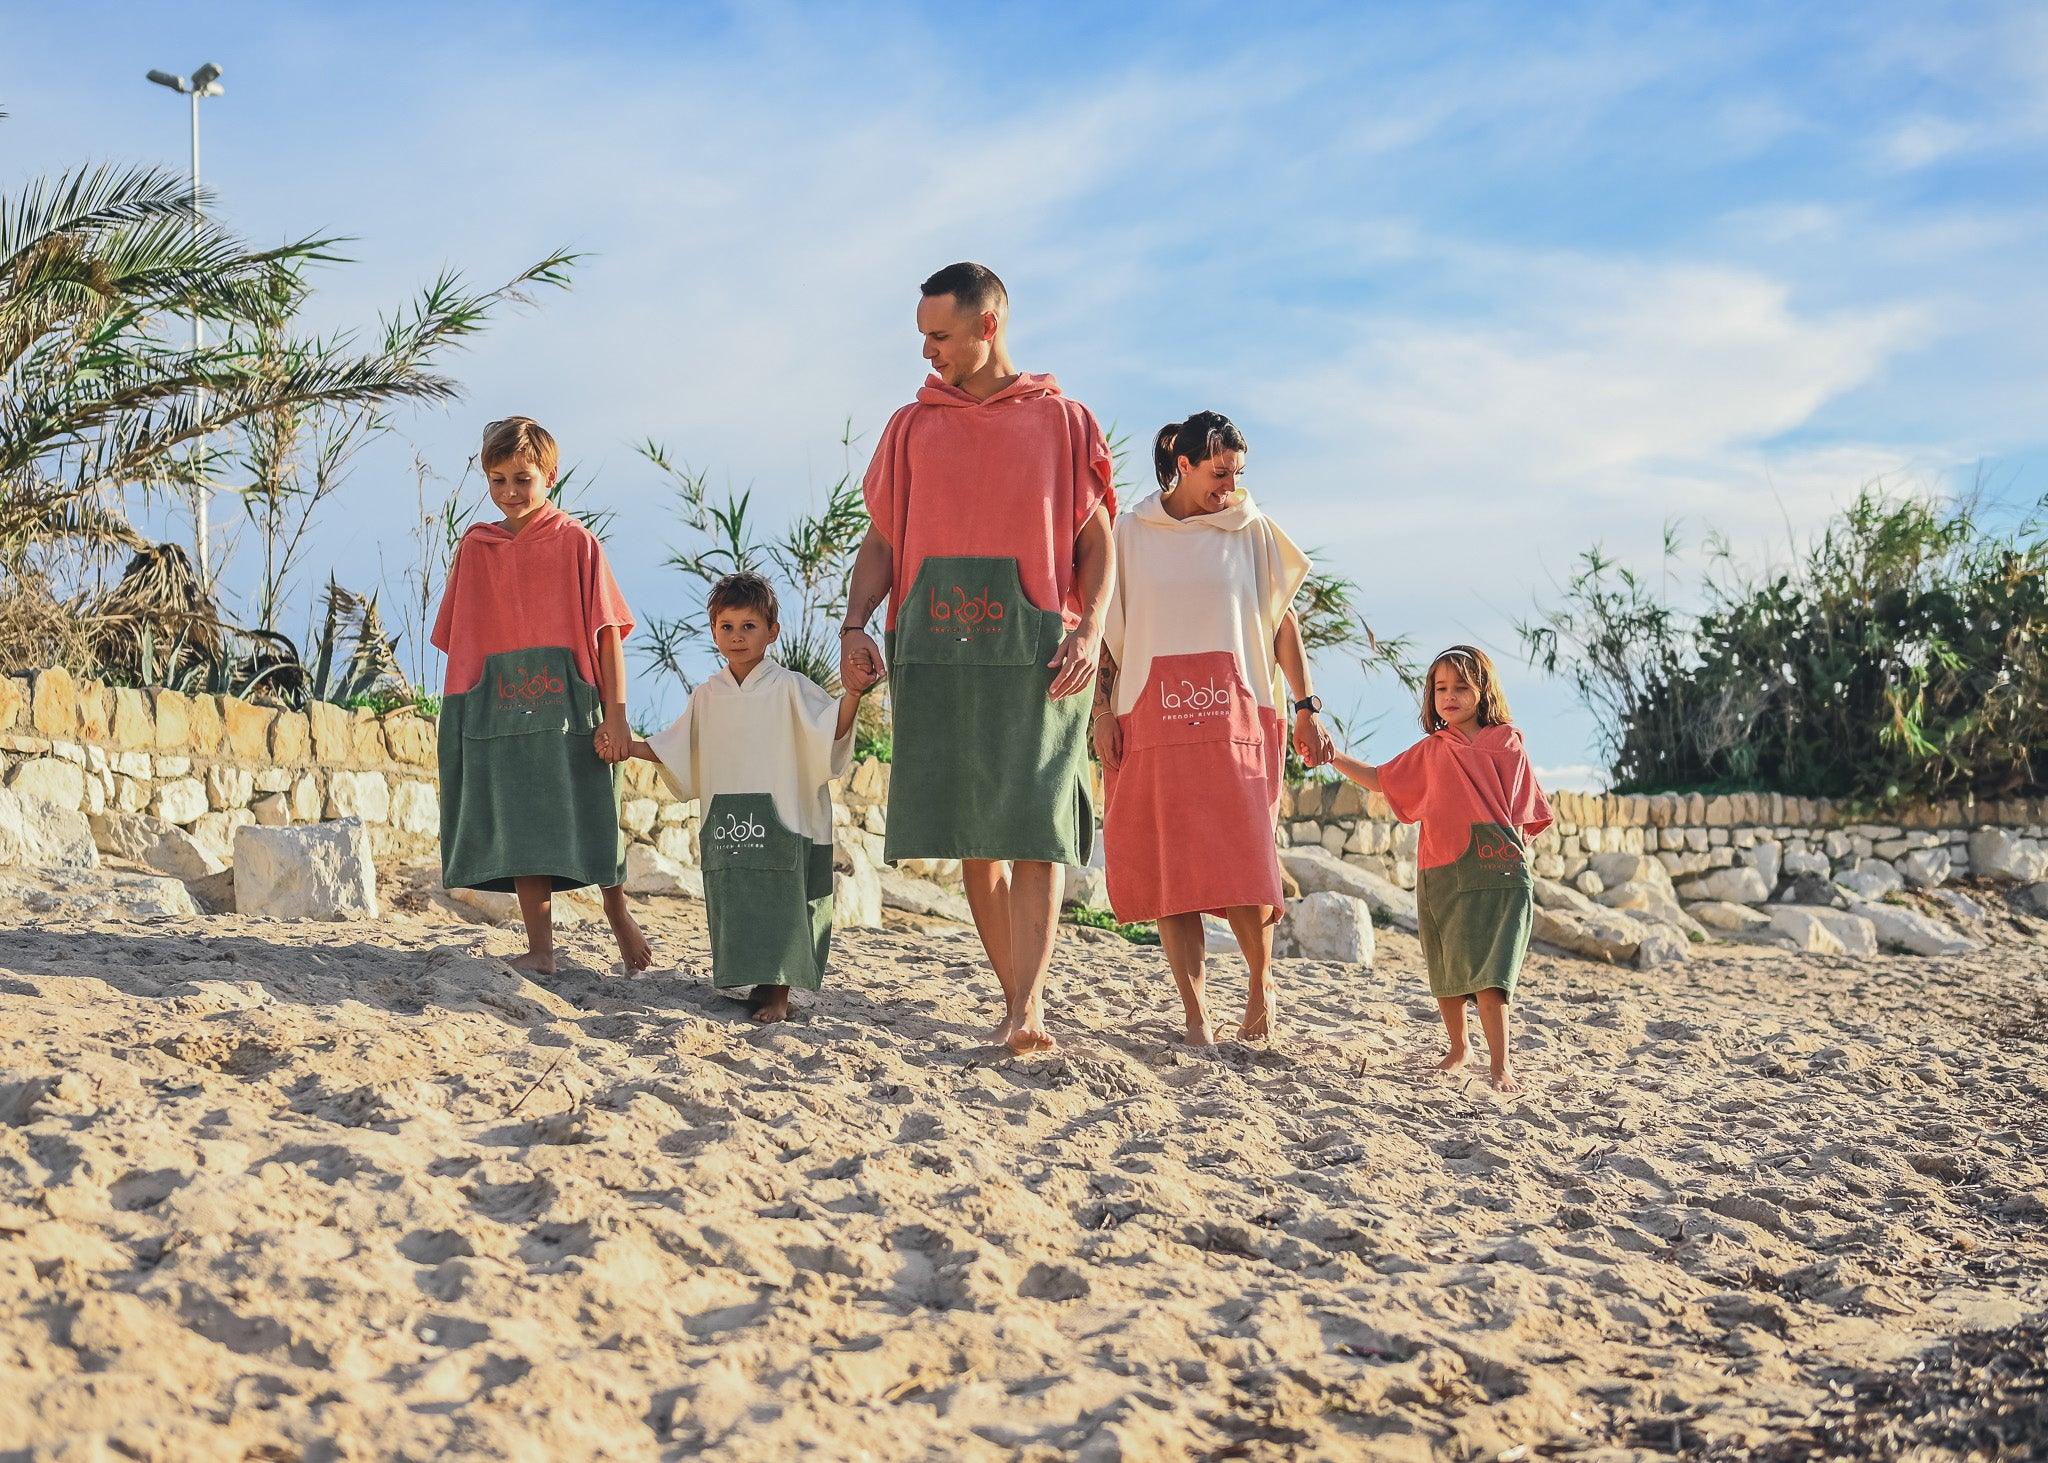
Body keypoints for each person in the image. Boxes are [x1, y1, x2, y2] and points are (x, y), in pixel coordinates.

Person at [840, 262, 1115, 1054]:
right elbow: (884, 539)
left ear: (988, 325)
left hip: (1037, 651)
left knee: (1034, 827)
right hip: (938, 648)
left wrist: (1090, 629)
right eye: (923, 336)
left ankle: (1027, 1006)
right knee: (974, 836)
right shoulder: (911, 426)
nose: (929, 352)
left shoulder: (1062, 421)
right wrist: (856, 624)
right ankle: (1016, 998)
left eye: (941, 335)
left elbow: (1098, 545)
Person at [1095, 412, 1332, 1044]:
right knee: (1175, 870)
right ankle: (1196, 1016)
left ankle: (1260, 984)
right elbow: (1105, 632)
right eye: (1219, 472)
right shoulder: (1130, 532)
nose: (1230, 485)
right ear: (1182, 461)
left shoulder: (1249, 530)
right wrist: (1099, 711)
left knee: (1246, 860)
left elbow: (1283, 623)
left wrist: (1306, 707)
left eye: (1237, 473)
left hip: (1238, 710)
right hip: (1151, 710)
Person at [432, 416, 650, 976]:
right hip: (497, 707)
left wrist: (617, 715)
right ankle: (542, 948)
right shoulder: (475, 548)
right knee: (524, 821)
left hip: (570, 705)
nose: (509, 492)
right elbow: (458, 641)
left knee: (594, 805)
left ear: (549, 475)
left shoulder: (578, 543)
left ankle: (617, 911)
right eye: (497, 479)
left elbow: (608, 637)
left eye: (522, 478)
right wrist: (460, 716)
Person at [626, 573, 864, 1023]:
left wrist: (852, 693)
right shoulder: (707, 694)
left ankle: (777, 991)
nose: (737, 636)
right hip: (727, 813)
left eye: (749, 626)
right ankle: (755, 982)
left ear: (772, 632)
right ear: (713, 631)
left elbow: (830, 728)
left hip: (786, 812)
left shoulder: (790, 686)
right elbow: (679, 746)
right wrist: (629, 747)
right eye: (727, 626)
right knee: (737, 892)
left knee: (781, 895)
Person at [1329, 646, 1552, 1091]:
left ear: (1483, 690)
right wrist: (1332, 756)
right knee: (1447, 965)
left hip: (1498, 872)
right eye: (1440, 688)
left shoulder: (1507, 742)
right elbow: (1380, 779)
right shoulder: (1432, 750)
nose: (1449, 696)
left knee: (1491, 974)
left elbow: (1529, 811)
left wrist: (1511, 852)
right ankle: (1459, 1047)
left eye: (1461, 687)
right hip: (1442, 868)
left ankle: (1500, 1065)